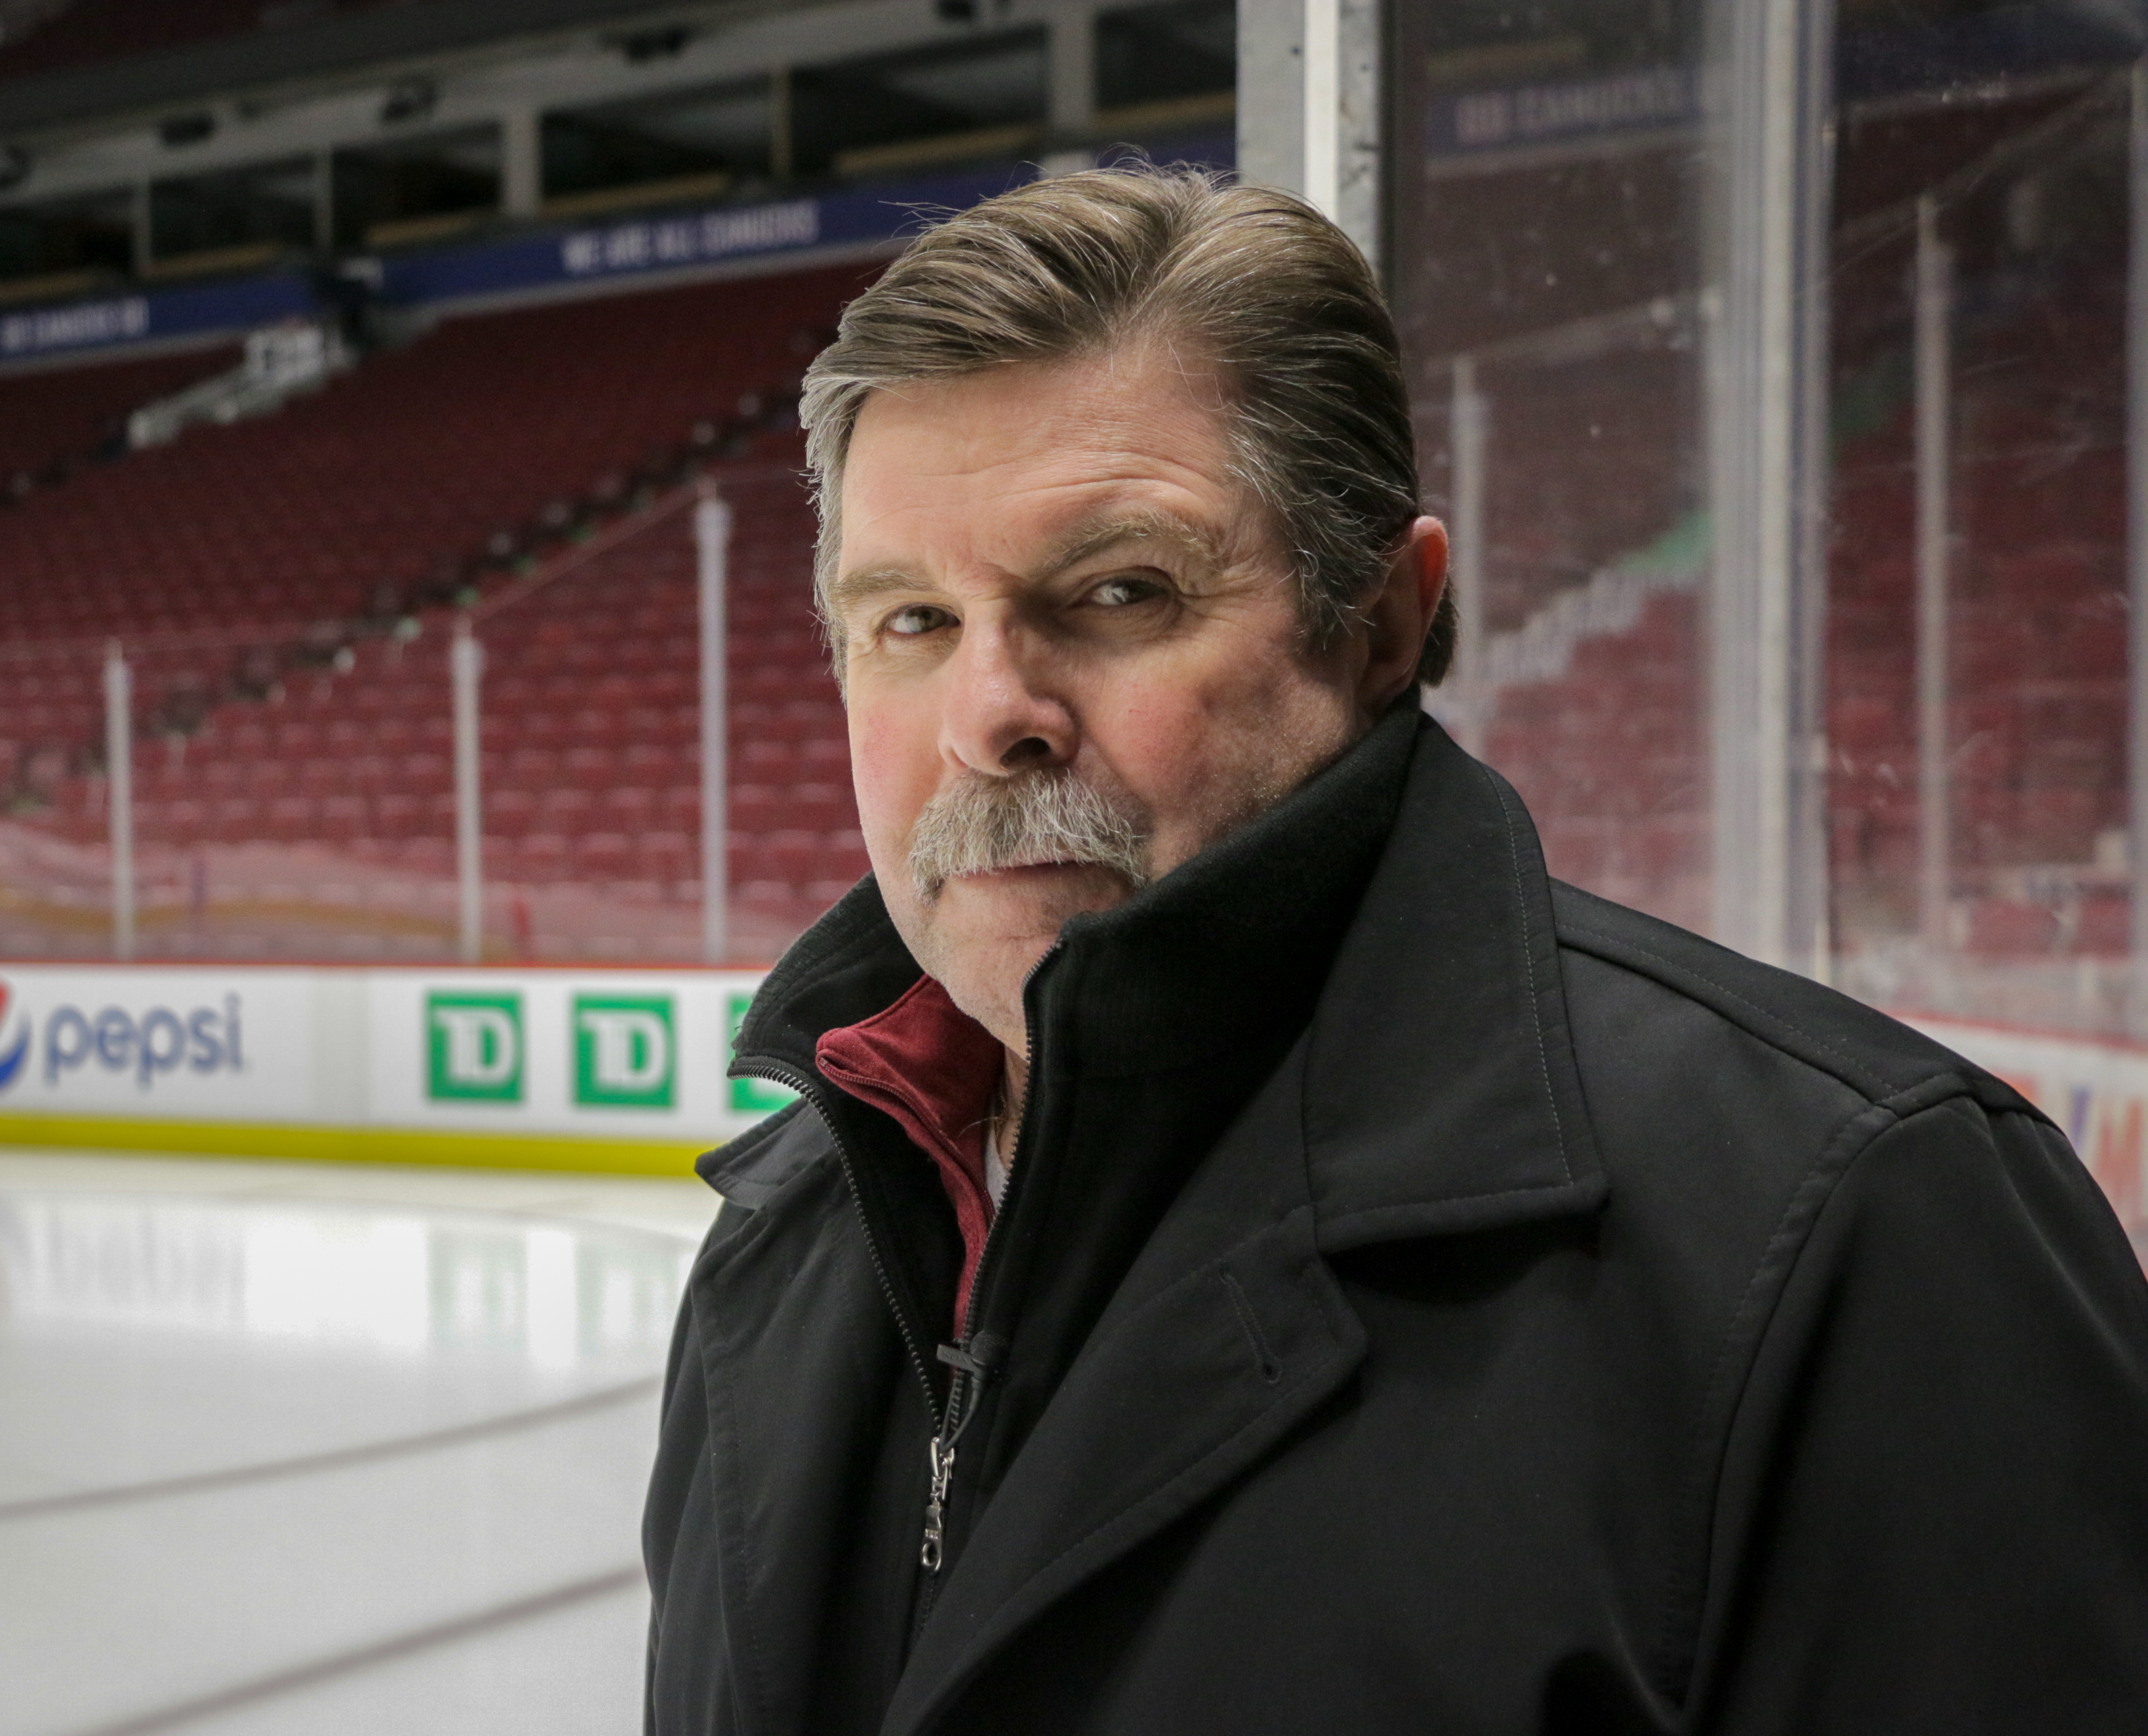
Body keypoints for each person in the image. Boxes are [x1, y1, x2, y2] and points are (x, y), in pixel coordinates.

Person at [642, 165, 2148, 1735]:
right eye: (909, 622)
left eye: (1118, 592)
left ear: (1378, 622)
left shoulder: (1856, 1230)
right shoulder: (786, 1246)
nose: (988, 718)